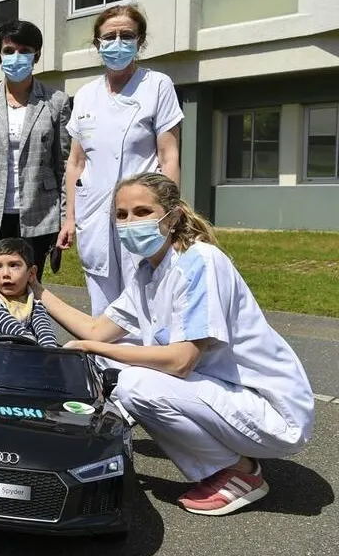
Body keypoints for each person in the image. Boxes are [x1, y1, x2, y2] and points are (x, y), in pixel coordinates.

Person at [34, 172, 314, 516]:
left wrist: (95, 348)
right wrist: (35, 290)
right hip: (223, 394)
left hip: (271, 410)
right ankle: (223, 461)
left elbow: (181, 361)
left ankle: (239, 473)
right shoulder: (146, 272)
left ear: (174, 215)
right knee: (111, 367)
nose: (129, 223)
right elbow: (95, 329)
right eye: (121, 215)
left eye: (142, 212)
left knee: (133, 384)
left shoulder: (200, 263)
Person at [58, 5, 184, 331]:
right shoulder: (85, 95)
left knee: (145, 292)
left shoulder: (157, 86)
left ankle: (145, 367)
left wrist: (169, 212)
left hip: (141, 212)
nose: (117, 43)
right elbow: (76, 162)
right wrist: (69, 218)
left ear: (140, 41)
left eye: (126, 36)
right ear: (97, 44)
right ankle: (103, 371)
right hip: (94, 214)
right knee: (101, 299)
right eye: (109, 36)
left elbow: (169, 155)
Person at [0, 19, 71, 338]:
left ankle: (24, 355)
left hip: (37, 215)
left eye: (24, 51)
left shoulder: (56, 102)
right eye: (9, 50)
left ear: (36, 55)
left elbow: (65, 165)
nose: (16, 56)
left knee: (26, 290)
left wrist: (65, 218)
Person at [0, 238, 58, 347]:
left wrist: (49, 351)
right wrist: (31, 342)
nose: (5, 273)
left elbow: (44, 331)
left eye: (13, 265)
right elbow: (6, 324)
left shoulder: (36, 305)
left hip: (24, 358)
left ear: (31, 273)